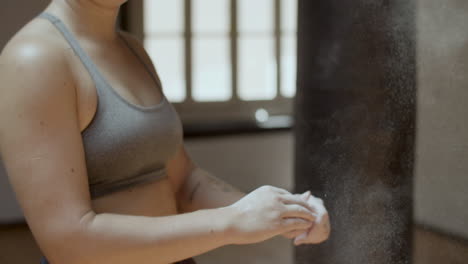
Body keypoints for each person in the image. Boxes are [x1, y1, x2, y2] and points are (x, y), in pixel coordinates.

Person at [0, 0, 330, 263]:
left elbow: (185, 182)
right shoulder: (34, 59)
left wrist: (284, 213)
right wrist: (233, 223)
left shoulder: (132, 50)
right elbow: (69, 242)